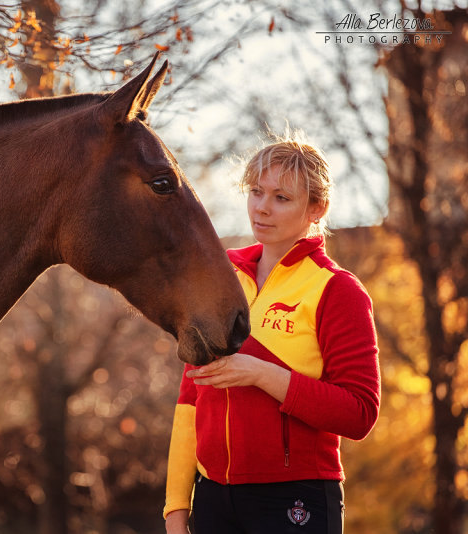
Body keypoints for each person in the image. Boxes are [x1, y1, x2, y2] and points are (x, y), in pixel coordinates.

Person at [163, 134, 381, 534]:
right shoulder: (221, 276)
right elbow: (190, 399)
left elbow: (360, 412)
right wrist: (177, 508)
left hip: (295, 497)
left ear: (317, 208)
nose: (262, 208)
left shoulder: (337, 290)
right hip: (211, 498)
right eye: (256, 192)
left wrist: (262, 374)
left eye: (282, 198)